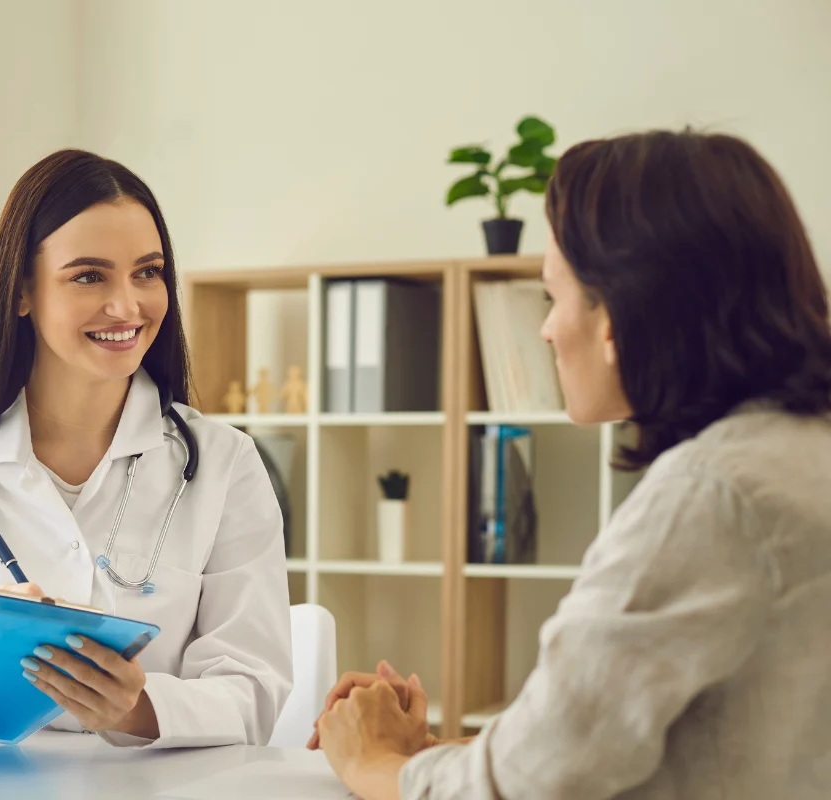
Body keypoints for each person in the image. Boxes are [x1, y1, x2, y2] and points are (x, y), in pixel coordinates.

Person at [312, 129, 831, 798]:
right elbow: (613, 747)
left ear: (614, 317)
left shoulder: (709, 498)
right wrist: (435, 752)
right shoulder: (798, 456)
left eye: (553, 296)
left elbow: (518, 793)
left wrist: (372, 760)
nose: (545, 329)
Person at [0, 149, 292, 748]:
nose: (127, 305)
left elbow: (255, 691)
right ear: (22, 292)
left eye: (148, 272)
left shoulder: (224, 463)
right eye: (89, 276)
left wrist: (136, 706)